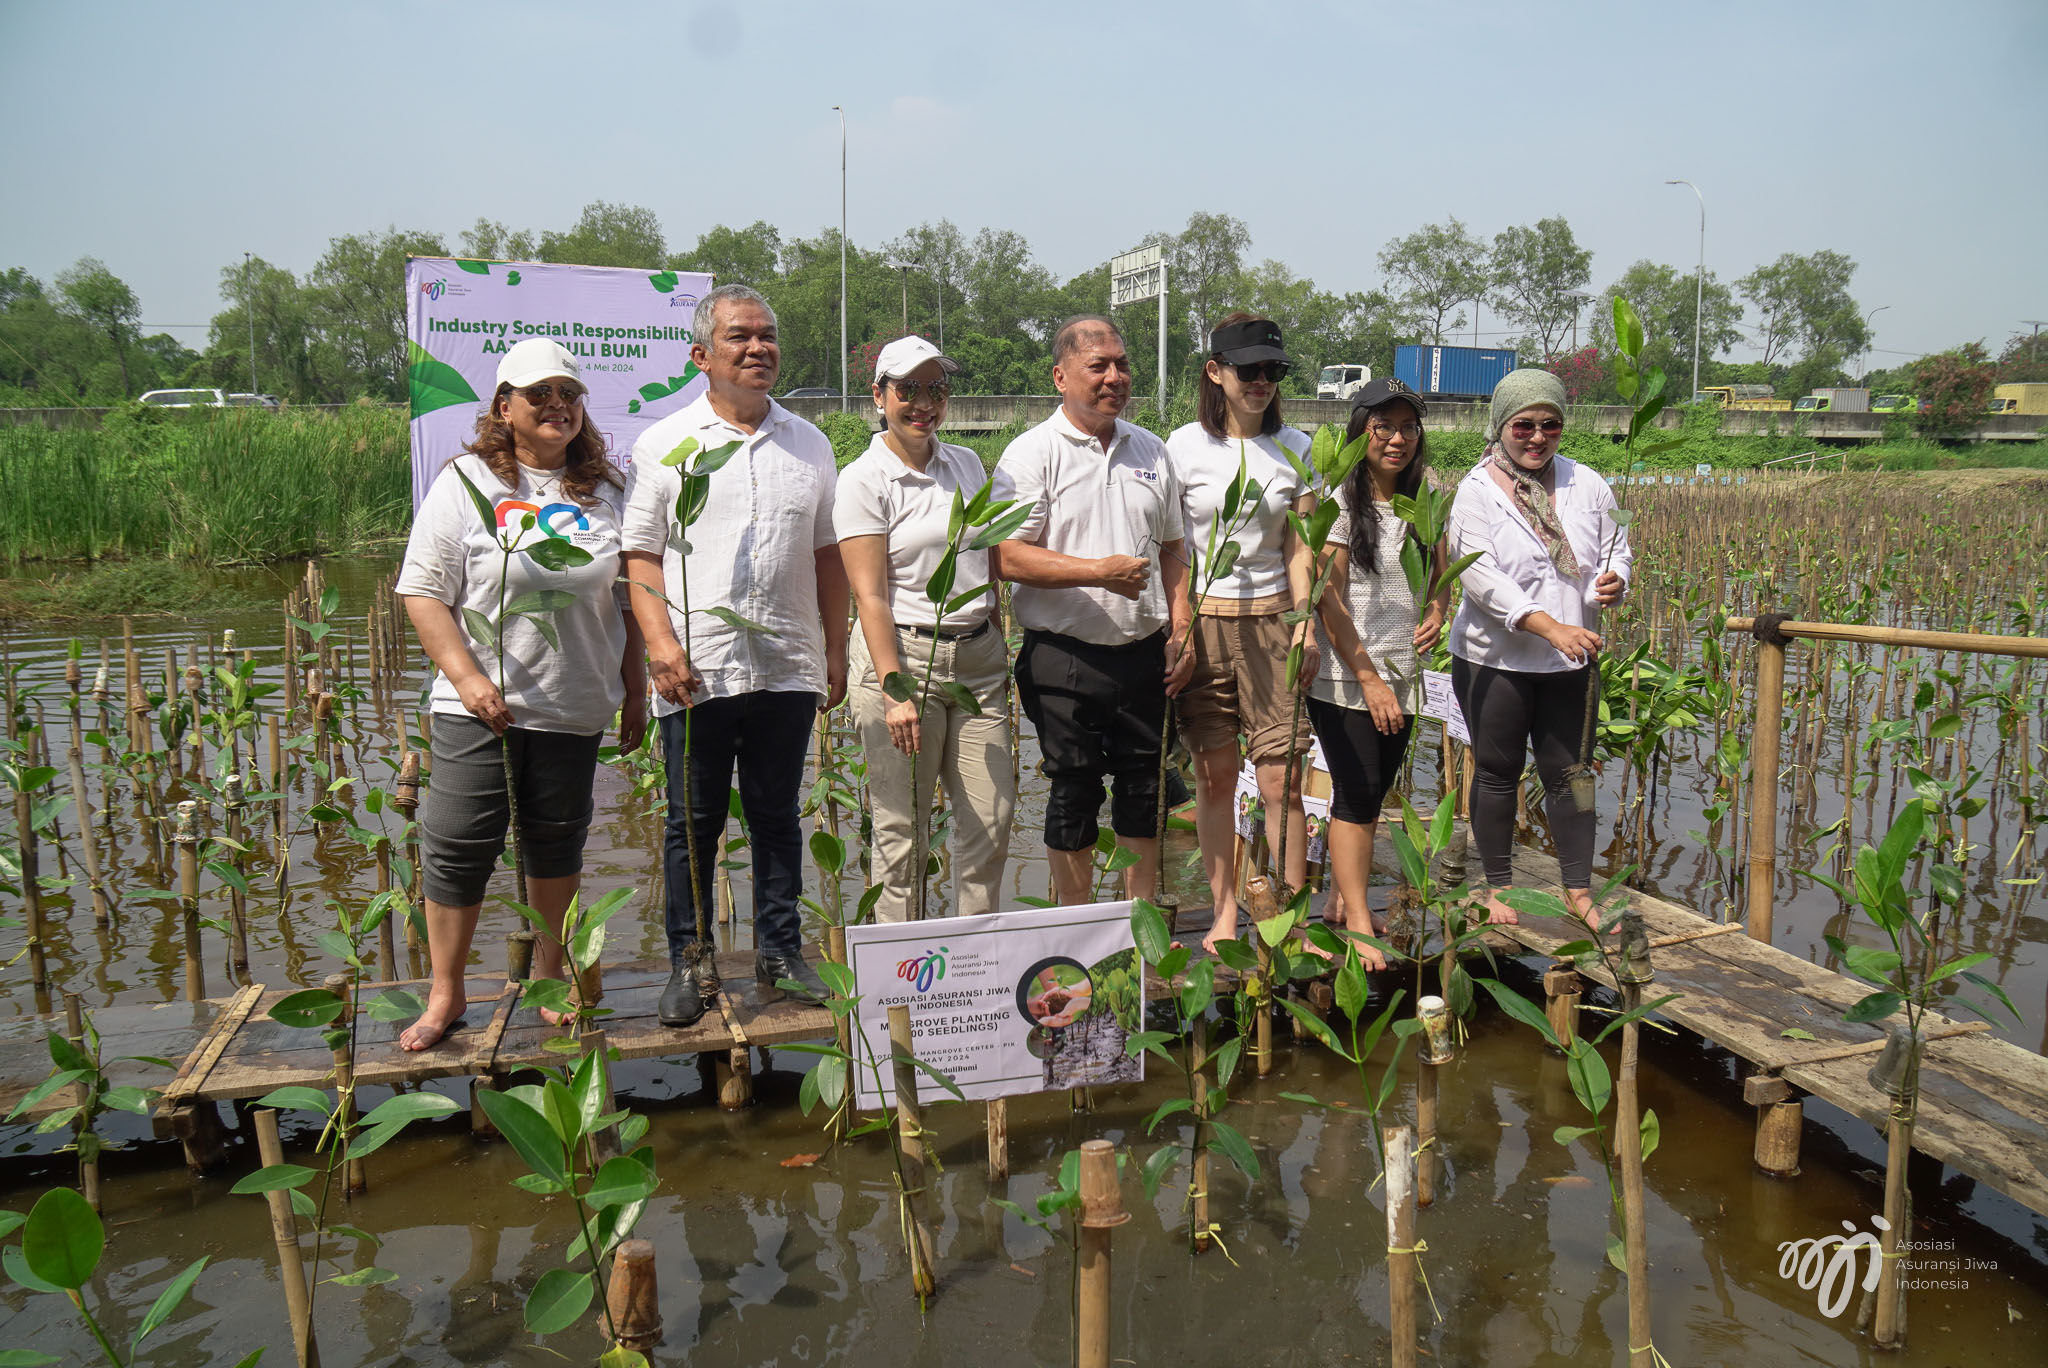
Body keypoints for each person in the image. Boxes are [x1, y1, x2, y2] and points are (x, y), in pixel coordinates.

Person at [395, 338, 645, 1051]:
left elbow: (628, 603)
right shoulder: (468, 484)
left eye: (568, 394)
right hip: (480, 709)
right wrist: (471, 682)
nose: (556, 407)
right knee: (457, 844)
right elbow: (422, 591)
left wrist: (633, 693)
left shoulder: (606, 492)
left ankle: (551, 972)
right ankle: (445, 993)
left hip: (572, 704)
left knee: (554, 844)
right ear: (504, 407)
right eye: (539, 395)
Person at [620, 284, 848, 1027]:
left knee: (778, 816)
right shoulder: (666, 445)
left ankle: (781, 952)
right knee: (695, 822)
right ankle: (692, 959)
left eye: (768, 335)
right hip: (697, 668)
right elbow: (641, 554)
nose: (758, 348)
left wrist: (833, 650)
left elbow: (827, 558)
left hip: (785, 663)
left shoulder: (810, 444)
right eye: (740, 337)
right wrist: (660, 647)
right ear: (701, 356)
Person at [990, 315, 1193, 907]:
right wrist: (1096, 571)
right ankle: (1074, 926)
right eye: (1097, 366)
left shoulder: (1150, 448)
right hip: (1063, 655)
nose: (1114, 377)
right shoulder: (1030, 454)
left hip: (1146, 651)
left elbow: (1174, 550)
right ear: (1061, 376)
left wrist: (1182, 628)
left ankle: (1139, 917)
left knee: (1143, 785)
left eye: (1122, 364)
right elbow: (1004, 556)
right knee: (1073, 786)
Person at [837, 335, 1015, 922]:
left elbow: (986, 556)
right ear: (879, 396)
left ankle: (974, 970)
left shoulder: (963, 463)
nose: (923, 403)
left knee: (991, 822)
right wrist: (894, 690)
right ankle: (900, 995)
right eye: (907, 389)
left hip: (979, 662)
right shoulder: (864, 479)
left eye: (935, 388)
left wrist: (992, 625)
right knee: (901, 833)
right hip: (905, 661)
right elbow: (870, 596)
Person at [1447, 368, 1630, 926]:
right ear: (1500, 425)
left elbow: (1619, 544)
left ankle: (1578, 889)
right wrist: (1551, 627)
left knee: (1572, 774)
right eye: (1523, 424)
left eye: (1549, 424)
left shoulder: (1592, 484)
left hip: (1571, 659)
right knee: (1498, 772)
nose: (1536, 436)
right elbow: (1481, 580)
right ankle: (1498, 886)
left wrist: (1618, 578)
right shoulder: (1474, 492)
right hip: (1493, 658)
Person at [1166, 314, 1319, 952]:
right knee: (1214, 775)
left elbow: (1301, 546)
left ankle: (1289, 919)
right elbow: (1174, 549)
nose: (1260, 382)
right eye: (1247, 370)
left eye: (1272, 371)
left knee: (1283, 777)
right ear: (1215, 372)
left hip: (1274, 624)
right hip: (1204, 623)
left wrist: (1306, 624)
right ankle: (1226, 909)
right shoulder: (1179, 448)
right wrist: (1180, 629)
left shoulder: (1300, 448)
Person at [1308, 378, 1446, 969]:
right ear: (1360, 429)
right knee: (1359, 795)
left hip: (1404, 672)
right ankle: (1361, 922)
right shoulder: (1336, 499)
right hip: (1347, 678)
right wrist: (1367, 678)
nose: (1397, 439)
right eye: (1383, 427)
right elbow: (1328, 599)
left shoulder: (1427, 496)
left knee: (1370, 792)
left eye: (1408, 428)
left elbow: (1439, 573)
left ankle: (1342, 899)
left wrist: (1438, 609)